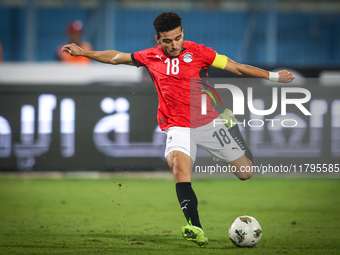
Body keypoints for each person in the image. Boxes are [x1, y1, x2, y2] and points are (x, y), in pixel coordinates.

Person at [62, 12, 294, 247]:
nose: (174, 45)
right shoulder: (149, 57)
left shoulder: (200, 52)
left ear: (182, 33)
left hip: (209, 121)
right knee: (179, 168)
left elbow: (237, 68)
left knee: (246, 172)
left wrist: (273, 76)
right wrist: (84, 53)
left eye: (178, 38)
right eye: (167, 41)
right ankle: (195, 227)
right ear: (158, 39)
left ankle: (231, 125)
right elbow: (115, 57)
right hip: (177, 125)